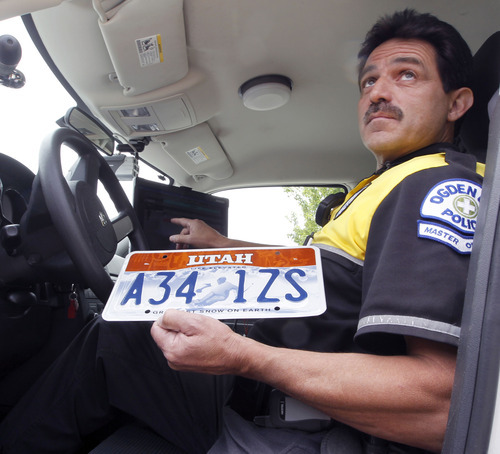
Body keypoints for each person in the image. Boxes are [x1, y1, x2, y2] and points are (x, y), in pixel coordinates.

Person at [0, 9, 485, 454]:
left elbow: (442, 406)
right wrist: (223, 246)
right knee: (121, 335)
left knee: (114, 338)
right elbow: (325, 273)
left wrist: (242, 355)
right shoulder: (385, 184)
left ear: (457, 103)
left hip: (314, 433)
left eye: (407, 75)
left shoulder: (435, 187)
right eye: (369, 81)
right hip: (274, 402)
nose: (378, 92)